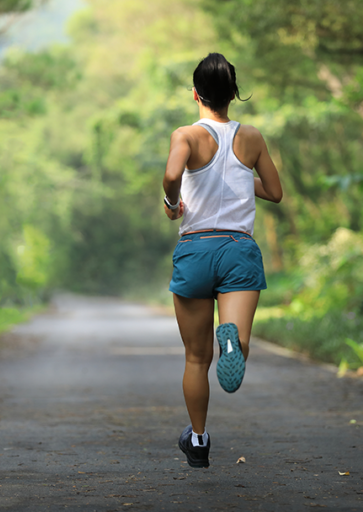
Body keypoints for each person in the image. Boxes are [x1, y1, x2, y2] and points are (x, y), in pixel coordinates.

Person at [163, 53, 282, 469]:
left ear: (195, 93)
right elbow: (274, 191)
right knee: (236, 340)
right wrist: (235, 179)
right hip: (238, 251)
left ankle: (197, 440)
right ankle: (234, 341)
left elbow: (172, 174)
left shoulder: (186, 135)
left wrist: (172, 202)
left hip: (197, 249)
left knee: (196, 358)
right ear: (234, 94)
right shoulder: (251, 137)